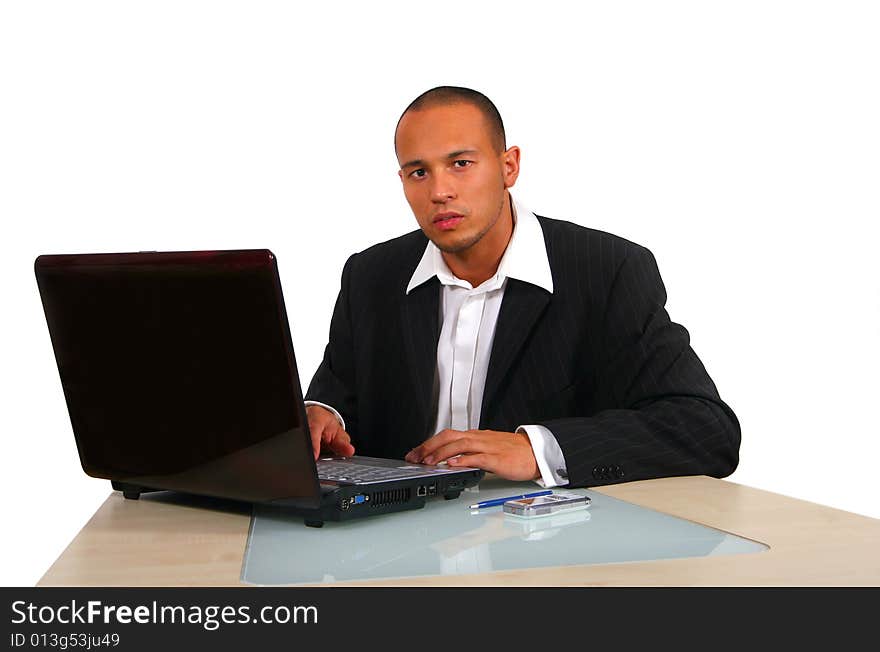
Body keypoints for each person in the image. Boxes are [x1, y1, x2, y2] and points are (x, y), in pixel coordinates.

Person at [304, 85, 740, 488]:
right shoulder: (370, 275)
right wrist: (321, 414)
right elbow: (337, 397)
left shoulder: (607, 270)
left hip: (545, 550)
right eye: (419, 172)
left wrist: (540, 448)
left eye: (461, 164)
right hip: (394, 549)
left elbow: (705, 428)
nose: (440, 191)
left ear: (508, 166)